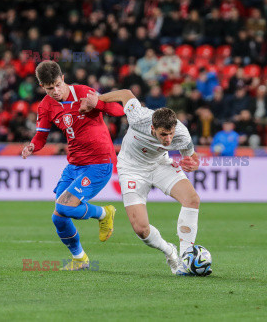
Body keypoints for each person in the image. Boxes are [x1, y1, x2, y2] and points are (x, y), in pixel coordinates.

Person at [80, 89, 206, 276]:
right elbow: (125, 93)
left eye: (170, 134)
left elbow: (191, 157)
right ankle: (169, 251)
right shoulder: (138, 117)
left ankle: (185, 258)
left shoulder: (182, 133)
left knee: (192, 199)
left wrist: (192, 163)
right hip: (131, 169)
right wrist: (96, 100)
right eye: (164, 134)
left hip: (160, 164)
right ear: (153, 128)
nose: (168, 139)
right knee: (141, 228)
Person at [21, 61, 125, 271]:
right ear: (42, 86)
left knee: (63, 207)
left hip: (98, 162)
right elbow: (41, 137)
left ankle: (104, 213)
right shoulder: (45, 106)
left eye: (58, 85)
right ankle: (80, 258)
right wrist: (32, 146)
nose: (56, 91)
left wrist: (98, 103)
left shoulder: (83, 92)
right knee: (58, 218)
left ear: (63, 78)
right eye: (50, 88)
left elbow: (119, 110)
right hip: (74, 165)